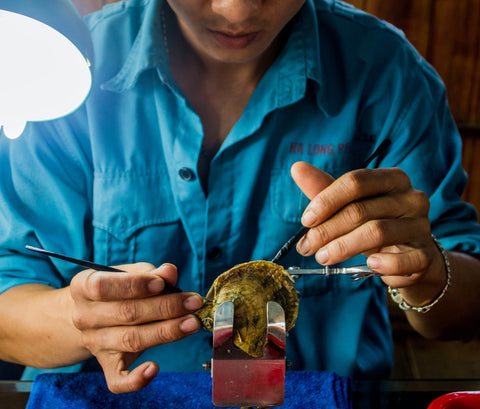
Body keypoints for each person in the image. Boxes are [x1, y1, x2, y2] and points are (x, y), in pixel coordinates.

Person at [1, 0, 480, 395]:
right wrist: (73, 319)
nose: (236, 10)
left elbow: (465, 307)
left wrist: (427, 272)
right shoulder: (54, 70)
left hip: (321, 400)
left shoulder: (388, 76)